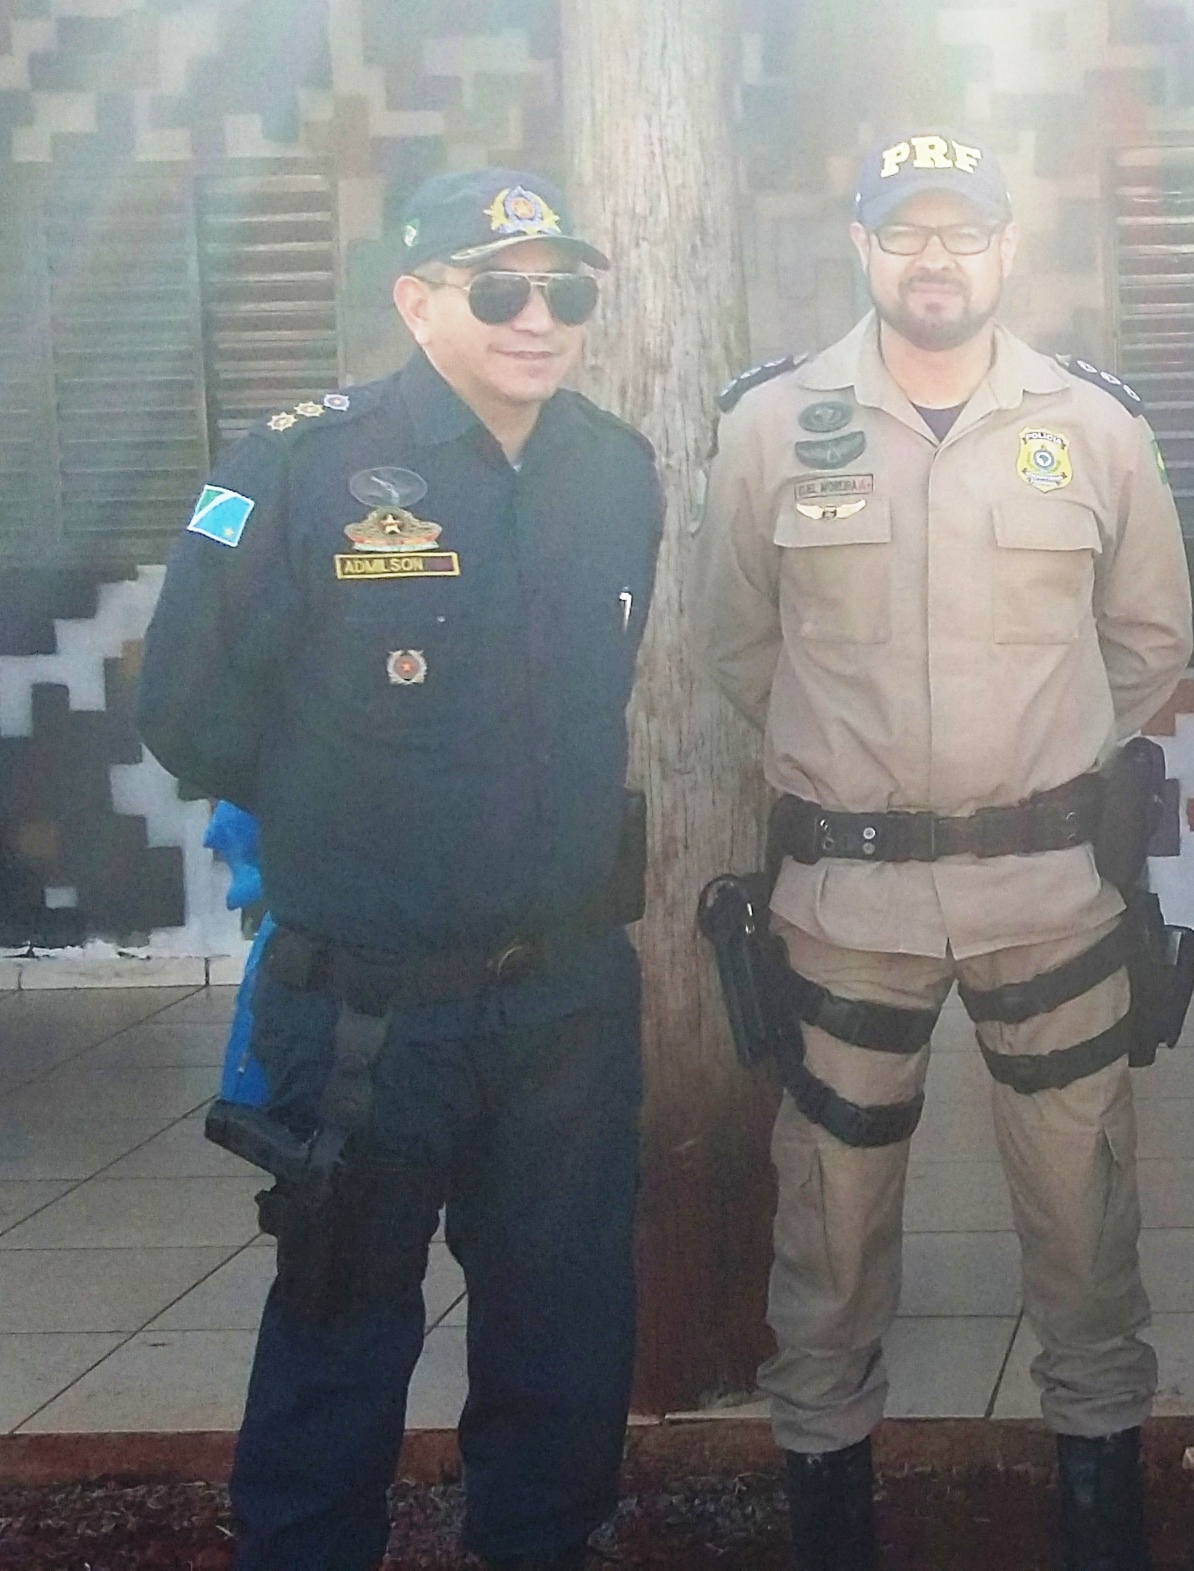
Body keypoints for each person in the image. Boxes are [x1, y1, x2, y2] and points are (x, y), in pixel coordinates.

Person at [136, 167, 659, 1571]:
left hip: (563, 1001)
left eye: (565, 290)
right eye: (501, 289)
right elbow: (187, 709)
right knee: (338, 1329)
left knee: (564, 1334)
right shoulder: (297, 465)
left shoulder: (615, 470)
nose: (538, 317)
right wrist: (351, 817)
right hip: (368, 1011)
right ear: (418, 301)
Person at [693, 129, 1192, 1571]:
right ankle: (828, 1520)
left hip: (1050, 899)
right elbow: (737, 644)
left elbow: (1149, 639)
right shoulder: (773, 426)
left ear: (1005, 248)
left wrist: (1024, 773)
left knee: (1083, 1221)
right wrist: (861, 774)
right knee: (829, 1233)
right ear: (862, 248)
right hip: (845, 908)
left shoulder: (1092, 425)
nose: (934, 258)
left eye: (962, 232)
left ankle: (1101, 1520)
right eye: (905, 232)